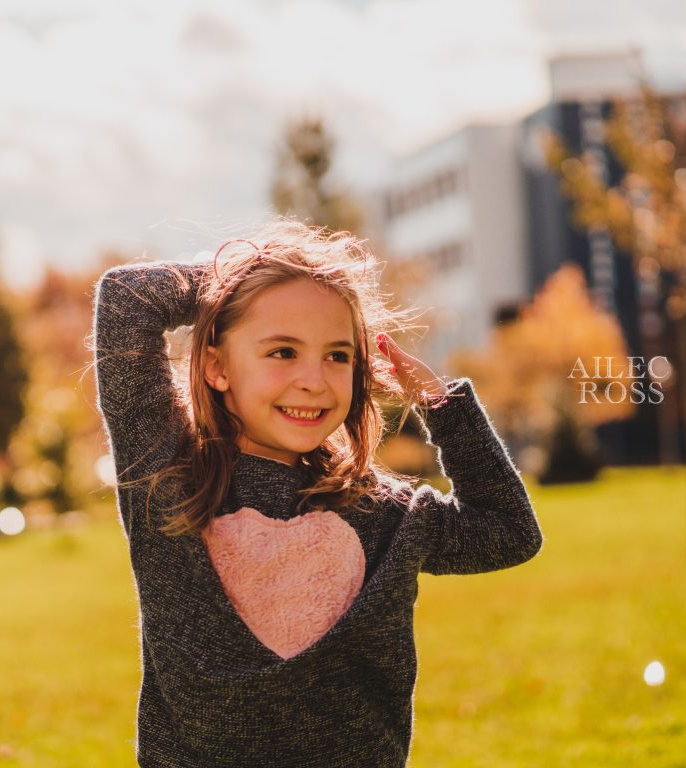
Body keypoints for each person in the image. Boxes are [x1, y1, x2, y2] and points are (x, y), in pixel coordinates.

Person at [91, 218, 544, 768]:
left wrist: (442, 407)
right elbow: (125, 299)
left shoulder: (378, 510)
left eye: (337, 354)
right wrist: (252, 277)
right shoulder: (166, 479)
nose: (315, 379)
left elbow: (508, 532)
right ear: (216, 366)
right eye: (283, 351)